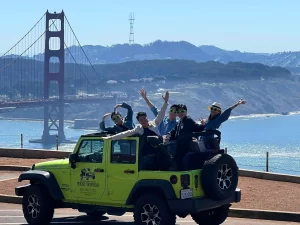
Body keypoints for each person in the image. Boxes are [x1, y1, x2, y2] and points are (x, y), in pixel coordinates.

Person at [103, 91, 170, 170]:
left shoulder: (154, 124)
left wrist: (165, 102)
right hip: (146, 156)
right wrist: (110, 138)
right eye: (141, 120)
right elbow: (125, 133)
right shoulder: (138, 129)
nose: (144, 121)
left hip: (158, 153)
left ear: (147, 118)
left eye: (145, 118)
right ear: (139, 122)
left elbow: (161, 114)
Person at [166, 104, 205, 170]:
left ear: (186, 112)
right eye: (178, 112)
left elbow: (197, 128)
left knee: (178, 158)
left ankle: (176, 169)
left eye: (182, 111)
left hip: (185, 144)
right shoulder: (180, 122)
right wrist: (168, 135)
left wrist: (203, 125)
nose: (180, 113)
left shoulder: (188, 120)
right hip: (178, 143)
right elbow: (174, 131)